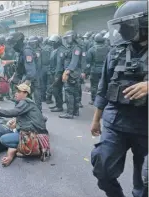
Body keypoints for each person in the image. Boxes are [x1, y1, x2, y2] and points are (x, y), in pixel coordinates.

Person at [90, 2, 148, 197]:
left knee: (145, 180)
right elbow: (104, 87)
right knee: (102, 167)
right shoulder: (116, 51)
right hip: (117, 121)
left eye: (128, 25)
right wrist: (96, 119)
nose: (122, 31)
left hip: (146, 126)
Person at [0, 83, 49, 166]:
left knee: (3, 139)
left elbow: (13, 112)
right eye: (16, 91)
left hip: (34, 136)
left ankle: (28, 149)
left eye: (19, 91)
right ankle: (22, 149)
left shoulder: (25, 102)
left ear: (26, 93)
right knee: (14, 131)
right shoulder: (31, 104)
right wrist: (16, 121)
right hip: (37, 135)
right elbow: (43, 118)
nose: (16, 93)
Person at [8, 33, 42, 111]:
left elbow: (31, 71)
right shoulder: (22, 51)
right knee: (23, 99)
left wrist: (25, 84)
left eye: (13, 43)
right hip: (26, 76)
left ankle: (36, 114)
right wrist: (14, 76)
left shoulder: (27, 51)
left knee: (28, 98)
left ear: (18, 42)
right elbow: (20, 67)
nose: (12, 45)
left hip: (31, 77)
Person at [59, 30, 82, 119]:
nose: (67, 40)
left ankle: (69, 113)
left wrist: (67, 71)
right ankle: (75, 111)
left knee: (69, 93)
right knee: (75, 93)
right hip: (74, 73)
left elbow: (74, 61)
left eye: (68, 38)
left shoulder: (76, 48)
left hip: (72, 74)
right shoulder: (71, 47)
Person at [85, 33, 110, 105]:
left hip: (95, 70)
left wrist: (86, 72)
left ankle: (94, 100)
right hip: (105, 70)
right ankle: (105, 100)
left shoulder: (91, 50)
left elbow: (88, 62)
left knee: (94, 86)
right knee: (105, 85)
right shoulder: (108, 48)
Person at [47, 35, 66, 112]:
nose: (52, 44)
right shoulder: (56, 49)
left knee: (56, 90)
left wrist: (57, 75)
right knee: (57, 90)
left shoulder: (60, 50)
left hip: (57, 73)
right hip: (54, 73)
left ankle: (59, 106)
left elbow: (59, 64)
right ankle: (58, 104)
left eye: (53, 42)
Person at [40, 38, 53, 103]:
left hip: (42, 68)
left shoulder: (42, 49)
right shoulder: (52, 49)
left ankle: (42, 98)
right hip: (50, 68)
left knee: (43, 83)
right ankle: (48, 99)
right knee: (49, 84)